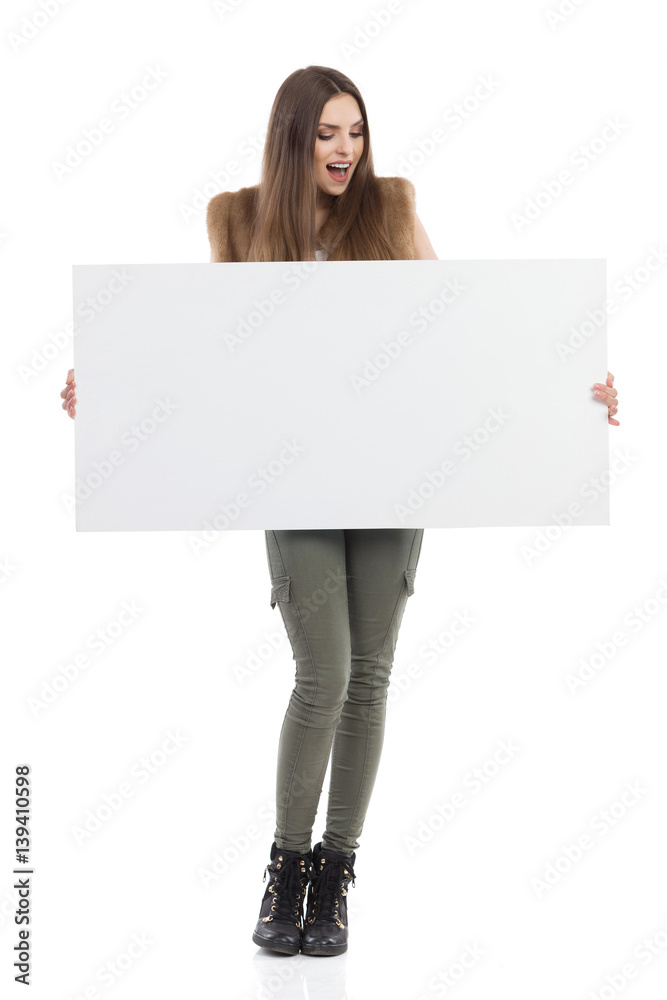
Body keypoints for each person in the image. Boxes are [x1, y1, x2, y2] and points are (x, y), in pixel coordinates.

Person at [60, 65, 621, 959]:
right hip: (296, 482)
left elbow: (463, 330)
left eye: (355, 131)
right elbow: (202, 355)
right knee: (323, 673)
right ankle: (285, 866)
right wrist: (118, 389)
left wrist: (571, 397)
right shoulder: (237, 220)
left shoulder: (391, 208)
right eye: (327, 133)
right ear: (292, 138)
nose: (346, 149)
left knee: (368, 678)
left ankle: (334, 877)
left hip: (398, 476)